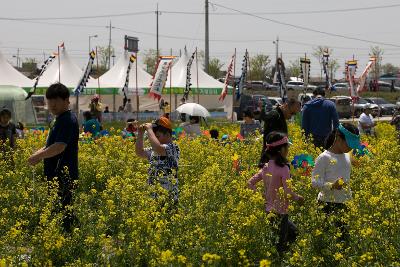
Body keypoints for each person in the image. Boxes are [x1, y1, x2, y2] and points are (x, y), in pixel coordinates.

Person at [28, 83, 79, 232]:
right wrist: (37, 155)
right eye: (49, 101)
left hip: (64, 174)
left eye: (56, 100)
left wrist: (39, 155)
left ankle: (71, 242)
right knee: (61, 210)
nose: (52, 104)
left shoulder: (67, 120)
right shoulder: (59, 119)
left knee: (65, 212)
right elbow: (50, 144)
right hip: (57, 174)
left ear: (66, 100)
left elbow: (59, 146)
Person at [248, 132, 304, 253]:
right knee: (281, 244)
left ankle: (285, 256)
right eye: (287, 147)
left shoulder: (266, 166)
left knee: (290, 234)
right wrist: (298, 198)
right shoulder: (283, 168)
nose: (288, 149)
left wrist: (260, 196)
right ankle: (281, 260)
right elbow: (288, 192)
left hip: (269, 211)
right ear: (281, 150)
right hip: (281, 212)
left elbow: (250, 183)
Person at [311, 123, 361, 241]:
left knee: (344, 239)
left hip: (345, 202)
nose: (351, 148)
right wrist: (332, 185)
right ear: (338, 137)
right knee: (327, 239)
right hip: (327, 204)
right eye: (349, 144)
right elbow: (314, 182)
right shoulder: (324, 158)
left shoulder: (347, 156)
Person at [135, 117, 180, 204]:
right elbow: (139, 152)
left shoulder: (173, 148)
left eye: (157, 136)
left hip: (168, 198)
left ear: (167, 134)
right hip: (153, 198)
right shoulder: (154, 150)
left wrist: (149, 130)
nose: (155, 139)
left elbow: (158, 148)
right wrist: (140, 133)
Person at [259, 98, 301, 164]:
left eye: (294, 114)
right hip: (270, 159)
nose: (291, 117)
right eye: (292, 113)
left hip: (277, 159)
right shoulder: (275, 116)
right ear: (285, 106)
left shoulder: (280, 115)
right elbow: (271, 141)